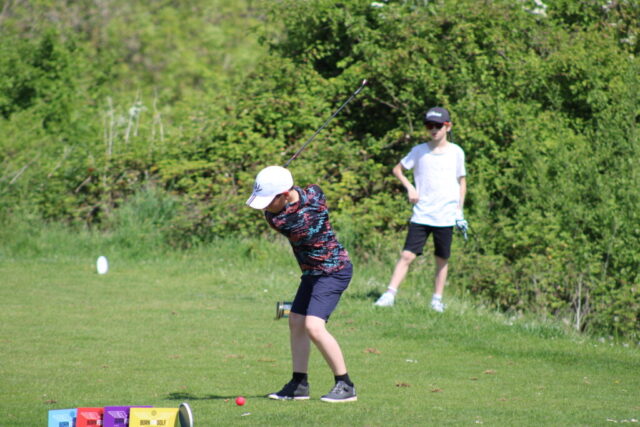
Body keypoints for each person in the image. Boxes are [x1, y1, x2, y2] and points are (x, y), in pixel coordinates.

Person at [246, 165, 357, 403]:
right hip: (312, 273)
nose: (265, 207)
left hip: (333, 271)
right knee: (295, 320)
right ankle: (299, 384)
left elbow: (287, 210)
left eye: (269, 200)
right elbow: (313, 189)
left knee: (313, 327)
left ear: (285, 195)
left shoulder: (284, 221)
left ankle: (345, 384)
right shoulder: (315, 195)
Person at [374, 107, 467, 312]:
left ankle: (437, 300)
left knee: (442, 258)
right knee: (407, 255)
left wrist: (459, 211)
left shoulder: (456, 152)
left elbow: (461, 182)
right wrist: (410, 187)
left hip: (446, 216)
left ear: (448, 127)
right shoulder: (419, 151)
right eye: (429, 125)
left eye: (438, 126)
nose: (433, 130)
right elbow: (398, 169)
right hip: (422, 213)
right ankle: (389, 295)